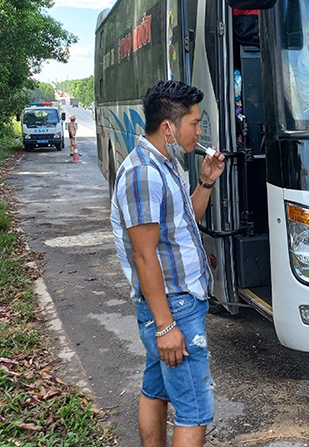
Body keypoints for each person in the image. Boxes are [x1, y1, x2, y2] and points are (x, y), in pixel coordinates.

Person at [110, 80, 225, 447]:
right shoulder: (143, 173)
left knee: (156, 390)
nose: (199, 132)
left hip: (176, 302)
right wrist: (165, 326)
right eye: (194, 123)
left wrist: (205, 183)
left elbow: (183, 222)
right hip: (172, 306)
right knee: (193, 410)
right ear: (168, 127)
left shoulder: (166, 163)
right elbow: (145, 255)